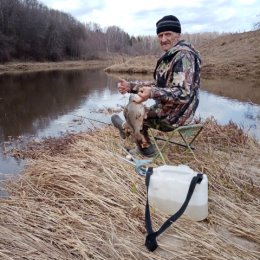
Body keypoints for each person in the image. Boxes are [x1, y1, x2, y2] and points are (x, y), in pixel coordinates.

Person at [111, 15, 202, 157]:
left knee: (132, 113)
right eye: (160, 35)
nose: (163, 39)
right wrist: (131, 86)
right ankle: (127, 129)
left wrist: (152, 93)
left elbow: (184, 93)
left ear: (178, 34)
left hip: (176, 115)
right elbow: (159, 85)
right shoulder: (172, 56)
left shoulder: (183, 56)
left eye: (168, 34)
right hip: (169, 110)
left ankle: (144, 148)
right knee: (133, 107)